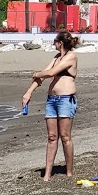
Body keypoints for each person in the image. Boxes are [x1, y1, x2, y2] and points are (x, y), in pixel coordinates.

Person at [22, 32, 79, 182]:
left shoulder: (71, 57)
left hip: (65, 100)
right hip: (51, 100)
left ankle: (69, 171)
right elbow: (43, 76)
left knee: (65, 137)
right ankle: (47, 173)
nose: (54, 44)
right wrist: (28, 93)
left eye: (55, 42)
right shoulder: (56, 58)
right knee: (52, 137)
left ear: (60, 43)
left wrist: (36, 73)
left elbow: (51, 73)